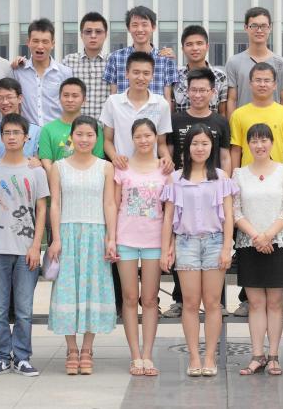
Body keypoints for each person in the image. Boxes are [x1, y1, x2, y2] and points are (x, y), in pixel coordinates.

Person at [0, 113, 50, 378]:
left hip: (26, 250)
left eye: (16, 132)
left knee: (24, 310)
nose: (11, 137)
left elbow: (42, 209)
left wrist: (36, 246)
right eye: (7, 133)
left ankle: (22, 357)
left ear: (26, 137)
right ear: (1, 136)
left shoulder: (36, 170)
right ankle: (0, 357)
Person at [160, 125, 237, 377]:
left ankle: (210, 356)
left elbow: (229, 216)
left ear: (212, 146)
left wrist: (227, 248)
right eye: (195, 143)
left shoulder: (221, 177)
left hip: (215, 243)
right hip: (186, 243)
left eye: (205, 143)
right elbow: (168, 217)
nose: (200, 148)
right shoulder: (176, 179)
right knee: (190, 303)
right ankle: (194, 357)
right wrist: (165, 250)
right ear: (187, 147)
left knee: (213, 303)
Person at [46, 116, 118, 375]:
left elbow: (109, 203)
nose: (84, 139)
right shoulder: (58, 167)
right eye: (79, 134)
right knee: (67, 291)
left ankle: (87, 349)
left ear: (96, 138)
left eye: (90, 135)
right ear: (71, 136)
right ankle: (71, 349)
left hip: (96, 234)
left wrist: (111, 237)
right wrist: (56, 238)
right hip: (67, 234)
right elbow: (55, 203)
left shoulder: (105, 167)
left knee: (93, 291)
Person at [164, 68, 233, 318]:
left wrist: (224, 184)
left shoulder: (220, 121)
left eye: (203, 90)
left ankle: (216, 303)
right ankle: (179, 299)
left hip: (212, 188)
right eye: (194, 90)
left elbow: (225, 156)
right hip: (184, 188)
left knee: (212, 298)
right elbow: (169, 151)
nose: (198, 94)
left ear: (213, 92)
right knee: (183, 236)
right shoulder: (175, 120)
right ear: (187, 92)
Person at [232, 124, 283, 377]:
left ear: (272, 143)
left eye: (264, 140)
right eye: (254, 141)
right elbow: (236, 211)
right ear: (247, 145)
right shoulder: (239, 174)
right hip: (249, 244)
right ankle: (257, 355)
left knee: (275, 303)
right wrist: (256, 236)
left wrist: (268, 235)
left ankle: (274, 356)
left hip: (278, 243)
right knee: (256, 303)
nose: (259, 145)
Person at [111, 119, 171, 377]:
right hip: (125, 239)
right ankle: (135, 355)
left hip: (154, 241)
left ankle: (148, 355)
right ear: (132, 138)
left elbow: (170, 211)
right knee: (129, 297)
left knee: (149, 299)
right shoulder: (122, 167)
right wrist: (111, 238)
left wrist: (168, 246)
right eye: (138, 136)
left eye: (148, 135)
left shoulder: (165, 169)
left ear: (155, 137)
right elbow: (113, 204)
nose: (144, 140)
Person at [100, 51, 173, 173]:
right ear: (127, 74)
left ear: (152, 76)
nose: (141, 77)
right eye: (136, 72)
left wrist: (167, 159)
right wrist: (115, 157)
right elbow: (107, 140)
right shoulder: (113, 102)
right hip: (122, 171)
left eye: (146, 73)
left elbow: (161, 144)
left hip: (150, 172)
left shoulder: (161, 104)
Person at [224, 7, 283, 116]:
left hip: (274, 123)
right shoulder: (233, 62)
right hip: (244, 122)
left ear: (270, 28)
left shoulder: (282, 64)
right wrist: (233, 124)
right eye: (254, 26)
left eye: (264, 26)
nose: (259, 30)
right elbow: (232, 100)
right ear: (246, 28)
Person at [229, 62, 283, 168]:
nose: (262, 84)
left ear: (275, 85)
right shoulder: (238, 115)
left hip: (278, 175)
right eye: (258, 80)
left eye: (267, 80)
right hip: (247, 175)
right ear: (250, 84)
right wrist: (235, 176)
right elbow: (236, 150)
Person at [103, 5, 178, 99]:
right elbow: (113, 95)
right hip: (123, 108)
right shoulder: (115, 57)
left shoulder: (165, 59)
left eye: (144, 24)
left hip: (155, 108)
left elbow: (167, 98)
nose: (140, 29)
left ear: (153, 27)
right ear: (128, 28)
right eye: (135, 25)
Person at [12, 18, 73, 127]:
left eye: (45, 42)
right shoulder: (18, 71)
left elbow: (70, 107)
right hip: (29, 134)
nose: (40, 46)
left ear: (52, 44)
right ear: (28, 42)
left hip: (55, 134)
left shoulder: (65, 73)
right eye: (35, 41)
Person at [38, 77, 106, 171]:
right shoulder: (47, 129)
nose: (70, 100)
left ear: (84, 100)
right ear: (59, 98)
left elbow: (98, 160)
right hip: (56, 178)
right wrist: (55, 178)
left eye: (75, 96)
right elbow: (47, 163)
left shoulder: (94, 128)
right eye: (66, 95)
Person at [61, 12, 111, 120]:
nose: (93, 36)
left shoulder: (112, 62)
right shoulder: (68, 61)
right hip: (74, 127)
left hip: (104, 127)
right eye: (88, 32)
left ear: (106, 35)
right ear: (81, 35)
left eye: (98, 32)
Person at [172, 24, 228, 113]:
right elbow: (171, 112)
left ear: (207, 47)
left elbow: (223, 113)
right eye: (189, 44)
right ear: (183, 49)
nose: (195, 48)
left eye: (199, 43)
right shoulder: (175, 76)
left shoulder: (220, 77)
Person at [0, 77, 40, 162]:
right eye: (0, 98)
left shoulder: (36, 130)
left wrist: (37, 162)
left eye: (9, 97)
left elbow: (39, 160)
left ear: (20, 98)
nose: (5, 102)